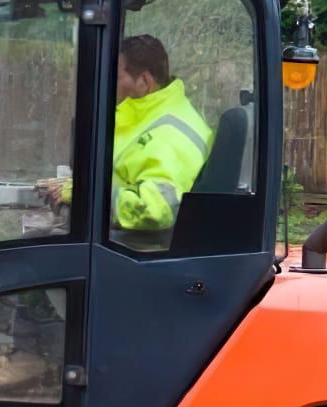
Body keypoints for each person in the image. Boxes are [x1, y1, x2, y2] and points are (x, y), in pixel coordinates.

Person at [35, 33, 210, 247]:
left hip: (135, 251)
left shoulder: (170, 134)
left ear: (144, 81)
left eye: (116, 77)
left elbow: (154, 209)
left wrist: (85, 195)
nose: (108, 84)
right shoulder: (148, 114)